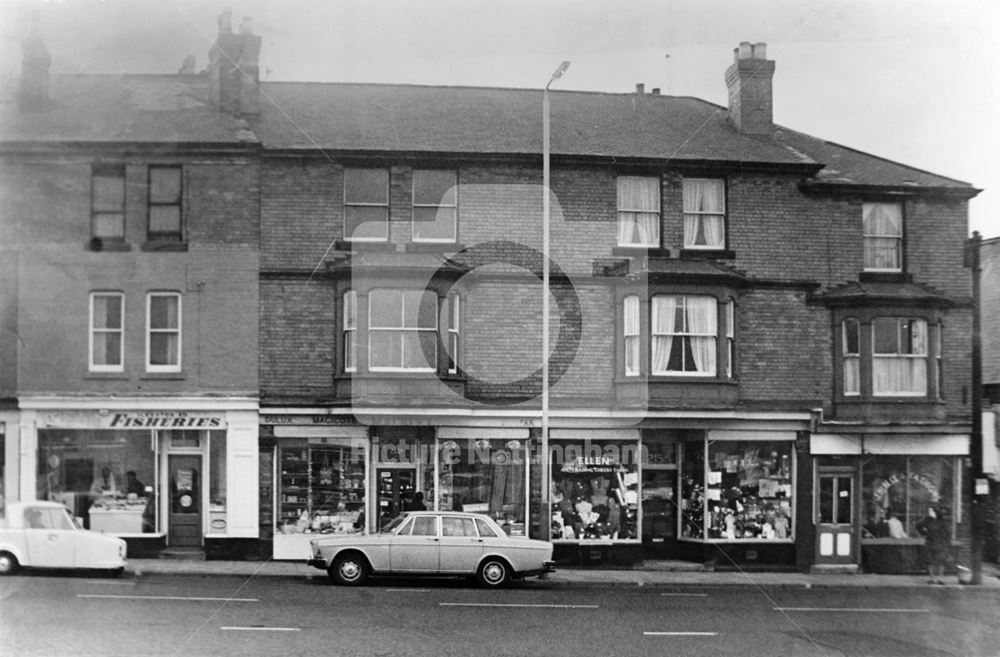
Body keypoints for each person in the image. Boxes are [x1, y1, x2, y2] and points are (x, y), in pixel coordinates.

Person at [916, 505, 951, 584]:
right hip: (930, 543)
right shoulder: (927, 520)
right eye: (929, 511)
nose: (929, 513)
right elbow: (918, 526)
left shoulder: (942, 522)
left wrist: (947, 544)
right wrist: (924, 533)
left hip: (940, 544)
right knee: (930, 561)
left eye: (930, 511)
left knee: (941, 561)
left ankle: (940, 579)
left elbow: (947, 534)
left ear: (935, 512)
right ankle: (932, 578)